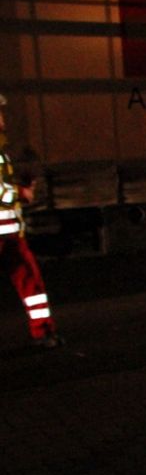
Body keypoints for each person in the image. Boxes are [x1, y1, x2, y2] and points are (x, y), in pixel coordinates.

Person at [0, 93, 61, 348]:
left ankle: (43, 332)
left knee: (31, 282)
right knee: (30, 281)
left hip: (11, 235)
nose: (3, 120)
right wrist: (21, 193)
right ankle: (43, 333)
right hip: (6, 236)